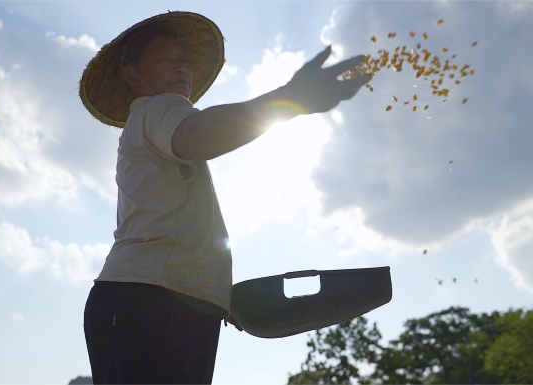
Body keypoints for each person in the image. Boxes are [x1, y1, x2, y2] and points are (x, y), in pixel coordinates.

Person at [78, 11, 372, 385]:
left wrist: (212, 290)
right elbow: (200, 134)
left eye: (183, 58)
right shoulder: (160, 108)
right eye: (166, 58)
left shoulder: (146, 130)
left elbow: (169, 223)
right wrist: (290, 98)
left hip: (158, 298)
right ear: (129, 72)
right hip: (150, 298)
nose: (181, 65)